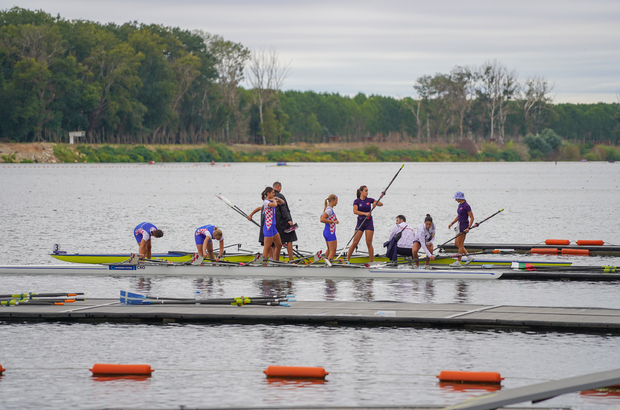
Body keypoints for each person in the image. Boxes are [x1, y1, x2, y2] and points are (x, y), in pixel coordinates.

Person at [346, 185, 383, 263]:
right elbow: (355, 211)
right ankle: (347, 260)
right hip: (360, 223)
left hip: (369, 223)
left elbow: (381, 203)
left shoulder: (369, 200)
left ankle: (371, 261)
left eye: (367, 191)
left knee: (369, 242)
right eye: (365, 191)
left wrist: (376, 204)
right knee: (355, 242)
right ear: (361, 192)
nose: (367, 192)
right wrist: (365, 214)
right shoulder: (356, 201)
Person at [248, 187, 285, 262]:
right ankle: (263, 264)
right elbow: (274, 205)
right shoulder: (266, 202)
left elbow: (282, 202)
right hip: (268, 228)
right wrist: (274, 200)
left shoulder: (271, 200)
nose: (274, 194)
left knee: (279, 245)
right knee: (267, 249)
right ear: (268, 193)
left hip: (273, 228)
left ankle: (276, 262)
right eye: (272, 193)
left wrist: (277, 198)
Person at [448, 191, 475, 267]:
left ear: (460, 198)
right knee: (456, 244)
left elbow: (472, 217)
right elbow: (459, 215)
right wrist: (452, 223)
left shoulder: (466, 205)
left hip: (464, 225)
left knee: (460, 244)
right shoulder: (460, 205)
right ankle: (469, 257)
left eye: (456, 198)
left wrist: (468, 227)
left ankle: (458, 261)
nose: (455, 199)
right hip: (459, 225)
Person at [273, 181, 298, 262]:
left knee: (275, 242)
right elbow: (284, 209)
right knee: (290, 239)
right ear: (279, 187)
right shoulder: (280, 196)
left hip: (274, 223)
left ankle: (275, 259)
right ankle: (291, 259)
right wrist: (289, 220)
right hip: (283, 222)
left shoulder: (270, 197)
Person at [320, 194, 339, 261]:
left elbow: (321, 218)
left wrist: (333, 221)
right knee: (333, 251)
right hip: (330, 233)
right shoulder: (329, 210)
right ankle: (328, 266)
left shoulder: (326, 209)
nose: (337, 202)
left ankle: (326, 264)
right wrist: (333, 222)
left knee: (329, 250)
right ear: (333, 200)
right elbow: (322, 220)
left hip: (326, 232)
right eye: (336, 201)